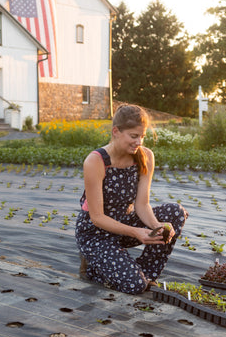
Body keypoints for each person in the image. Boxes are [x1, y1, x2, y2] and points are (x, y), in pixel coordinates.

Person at [75, 105, 188, 295]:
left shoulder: (145, 157)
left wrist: (155, 226)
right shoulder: (96, 161)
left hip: (125, 225)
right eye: (134, 136)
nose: (139, 142)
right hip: (96, 234)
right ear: (116, 132)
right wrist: (136, 232)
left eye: (142, 136)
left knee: (175, 213)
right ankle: (93, 266)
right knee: (134, 286)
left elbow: (142, 205)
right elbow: (97, 217)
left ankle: (145, 273)